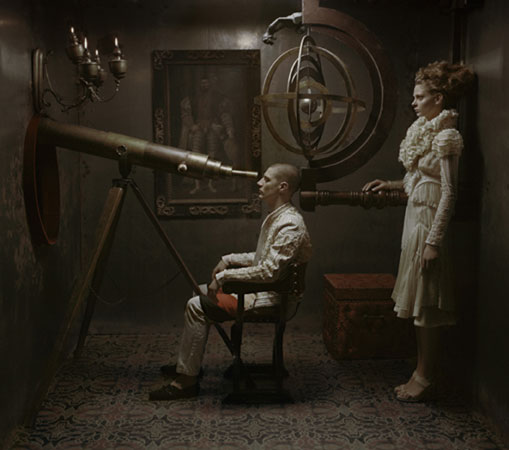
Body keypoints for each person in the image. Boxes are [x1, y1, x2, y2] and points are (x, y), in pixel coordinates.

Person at [150, 163, 312, 400]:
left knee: (196, 305)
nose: (259, 183)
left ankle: (186, 381)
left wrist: (224, 277)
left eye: (266, 179)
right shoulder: (279, 217)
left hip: (273, 299)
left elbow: (270, 272)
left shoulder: (290, 224)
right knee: (200, 292)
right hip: (264, 291)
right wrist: (228, 260)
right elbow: (264, 258)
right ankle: (189, 365)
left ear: (283, 187)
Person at [362, 61, 474, 402]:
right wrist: (391, 184)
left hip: (429, 226)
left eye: (420, 96)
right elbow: (420, 179)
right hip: (416, 220)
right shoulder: (424, 132)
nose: (413, 102)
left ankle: (425, 376)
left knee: (427, 306)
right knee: (419, 304)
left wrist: (434, 242)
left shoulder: (447, 136)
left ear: (438, 99)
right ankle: (421, 371)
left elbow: (449, 192)